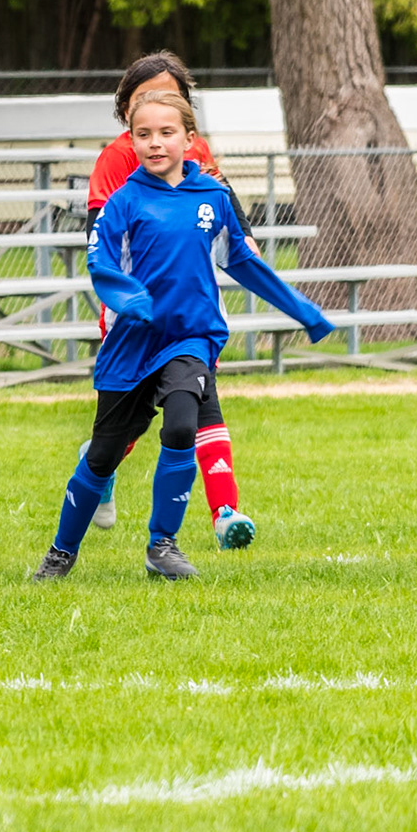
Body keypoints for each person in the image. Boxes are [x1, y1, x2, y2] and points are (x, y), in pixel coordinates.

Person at [32, 91, 333, 582]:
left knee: (180, 428)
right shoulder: (122, 204)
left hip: (190, 340)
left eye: (166, 133)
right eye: (143, 134)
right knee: (103, 455)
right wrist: (130, 299)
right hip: (131, 347)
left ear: (189, 140)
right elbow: (100, 266)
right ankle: (62, 551)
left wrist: (303, 312)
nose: (155, 143)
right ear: (131, 140)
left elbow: (242, 262)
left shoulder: (212, 200)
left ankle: (162, 546)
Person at [80, 51, 261, 550]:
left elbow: (217, 194)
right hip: (136, 319)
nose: (158, 118)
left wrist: (243, 237)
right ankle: (100, 465)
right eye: (144, 101)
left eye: (171, 100)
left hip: (191, 314)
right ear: (127, 110)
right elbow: (98, 234)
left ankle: (224, 513)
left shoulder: (193, 148)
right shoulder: (118, 157)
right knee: (125, 429)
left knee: (200, 403)